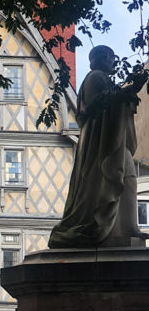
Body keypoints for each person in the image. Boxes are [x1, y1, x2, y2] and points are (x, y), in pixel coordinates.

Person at [50, 45, 148, 248]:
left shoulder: (101, 79)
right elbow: (102, 106)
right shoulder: (96, 77)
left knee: (128, 179)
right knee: (117, 180)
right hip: (101, 145)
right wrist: (129, 89)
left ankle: (128, 228)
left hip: (110, 141)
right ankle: (111, 227)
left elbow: (111, 101)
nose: (113, 62)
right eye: (111, 58)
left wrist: (128, 91)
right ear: (102, 59)